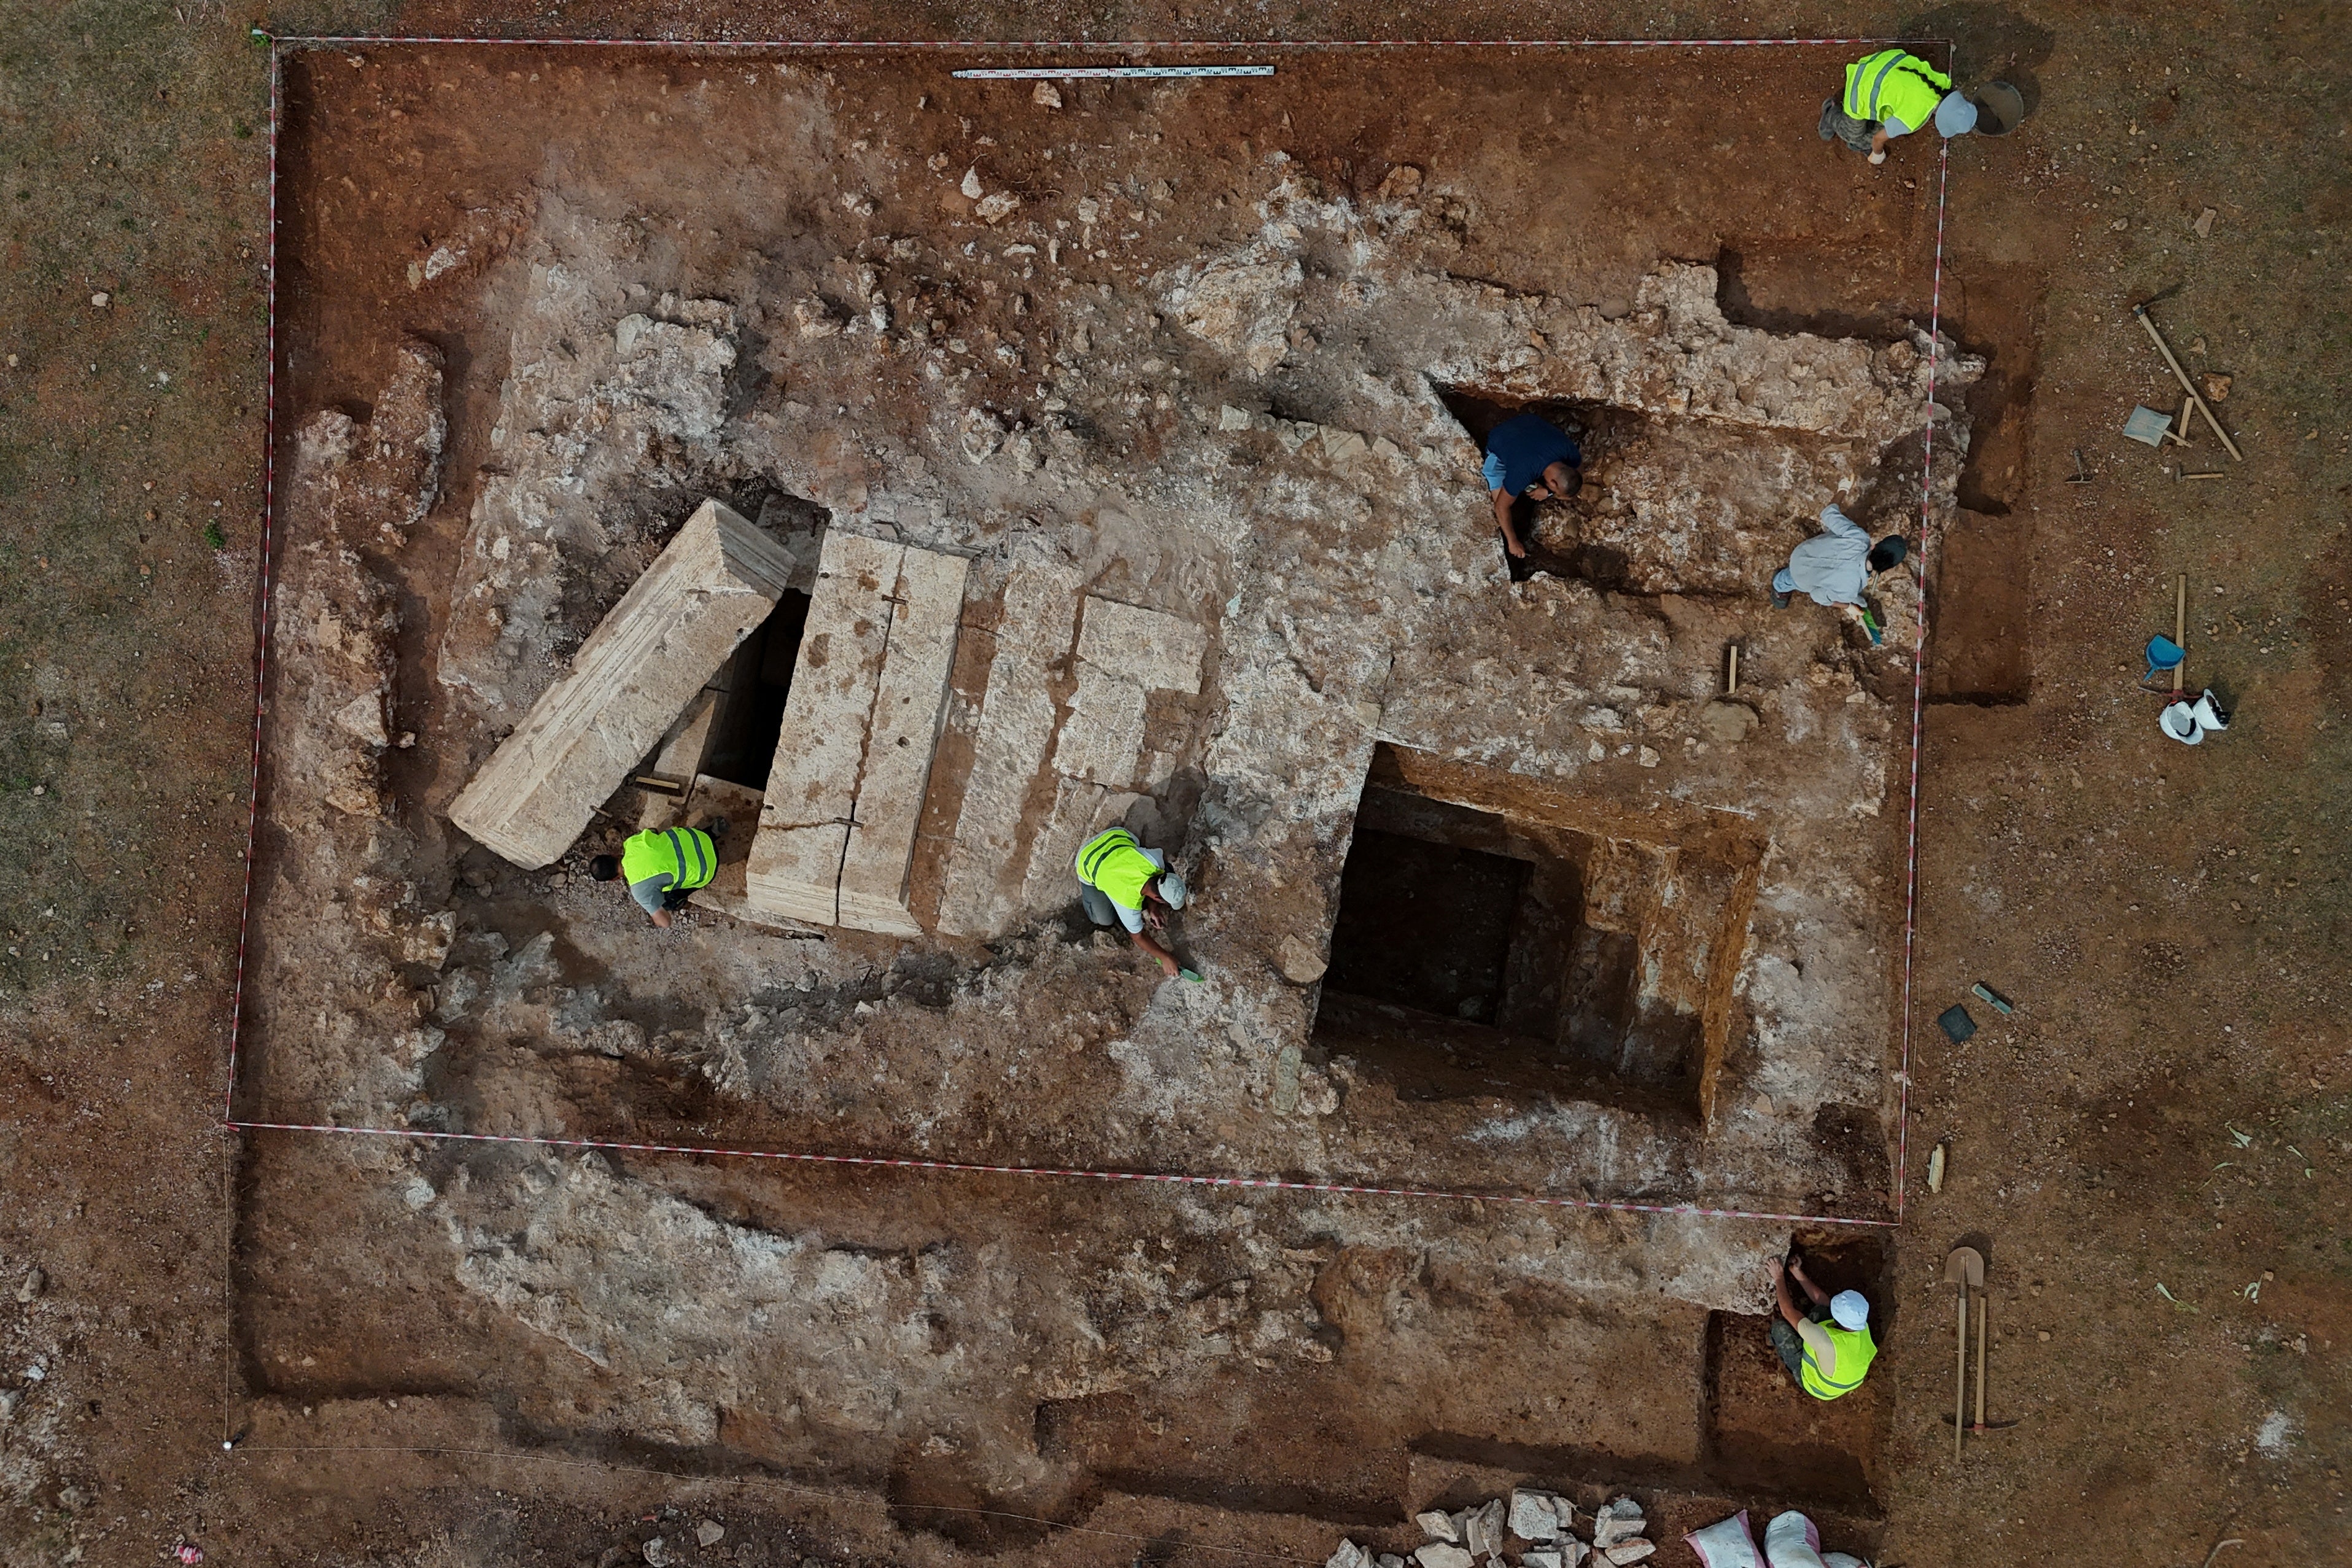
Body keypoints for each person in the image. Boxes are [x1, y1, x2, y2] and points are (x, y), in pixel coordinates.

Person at [1771, 503, 1907, 645]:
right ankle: (1778, 587)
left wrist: (1843, 489)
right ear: (1884, 569)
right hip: (1801, 576)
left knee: (1800, 569)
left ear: (1874, 546)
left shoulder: (1859, 538)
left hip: (1801, 553)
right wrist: (1847, 606)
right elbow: (1817, 596)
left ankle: (1781, 582)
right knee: (1792, 579)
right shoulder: (1849, 591)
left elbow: (1828, 512)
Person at [1820, 49, 1978, 164]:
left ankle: (1861, 131)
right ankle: (1831, 113)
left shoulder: (1943, 83)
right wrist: (1877, 154)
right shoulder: (1913, 118)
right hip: (1862, 86)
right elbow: (1878, 139)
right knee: (1856, 138)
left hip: (1883, 64)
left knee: (1878, 126)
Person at [1074, 825, 1188, 977]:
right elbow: (1138, 936)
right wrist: (1165, 957)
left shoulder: (1155, 861)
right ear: (1157, 898)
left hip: (1116, 835)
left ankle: (1109, 878)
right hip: (1087, 858)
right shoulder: (1127, 901)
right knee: (1104, 919)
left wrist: (1153, 908)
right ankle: (1095, 896)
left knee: (1166, 867)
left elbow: (1157, 881)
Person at [1768, 1254, 1878, 1401]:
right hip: (1844, 1374)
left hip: (1818, 1387)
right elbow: (1824, 1301)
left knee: (1780, 1328)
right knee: (1821, 1311)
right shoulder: (1861, 1325)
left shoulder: (1825, 1342)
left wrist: (1778, 1277)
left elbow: (1788, 1312)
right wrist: (1797, 1272)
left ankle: (1794, 1366)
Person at [1481, 411, 1583, 561]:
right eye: (1556, 492)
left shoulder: (1569, 451)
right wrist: (1513, 541)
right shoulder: (1521, 474)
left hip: (1527, 423)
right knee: (1501, 499)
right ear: (1554, 483)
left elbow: (1579, 470)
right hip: (1500, 439)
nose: (1554, 495)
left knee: (1522, 481)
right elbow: (1501, 507)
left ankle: (1531, 485)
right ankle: (1507, 539)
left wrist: (1547, 491)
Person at [589, 824, 718, 929]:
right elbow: (653, 831)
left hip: (708, 866)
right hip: (699, 836)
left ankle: (679, 902)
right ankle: (714, 831)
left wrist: (656, 919)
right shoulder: (632, 843)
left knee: (667, 902)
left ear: (614, 879)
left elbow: (666, 922)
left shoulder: (639, 891)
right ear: (613, 854)